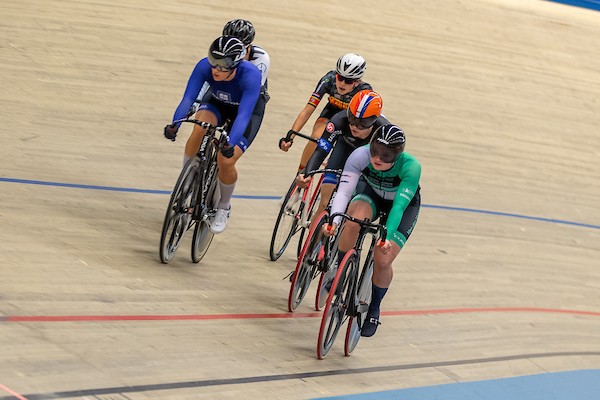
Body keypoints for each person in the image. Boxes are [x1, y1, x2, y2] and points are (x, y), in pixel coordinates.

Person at [323, 124, 421, 337]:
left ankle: (374, 308)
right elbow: (344, 191)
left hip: (401, 207)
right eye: (375, 151)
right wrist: (334, 220)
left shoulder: (411, 167)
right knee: (352, 222)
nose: (377, 159)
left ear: (397, 155)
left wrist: (386, 236)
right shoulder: (360, 155)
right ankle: (341, 271)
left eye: (386, 156)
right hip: (372, 195)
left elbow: (398, 207)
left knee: (383, 258)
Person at [164, 35, 262, 234]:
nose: (216, 68)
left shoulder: (250, 75)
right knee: (199, 127)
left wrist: (230, 144)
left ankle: (224, 206)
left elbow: (243, 116)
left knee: (226, 160)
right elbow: (188, 98)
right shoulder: (203, 67)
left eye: (223, 65)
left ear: (235, 64)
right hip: (217, 103)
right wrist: (175, 124)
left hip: (245, 113)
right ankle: (187, 178)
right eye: (213, 61)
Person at [295, 90, 387, 217]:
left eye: (362, 123)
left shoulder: (383, 131)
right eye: (352, 119)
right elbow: (321, 150)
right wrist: (308, 173)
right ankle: (315, 233)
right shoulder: (338, 120)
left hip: (366, 157)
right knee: (324, 204)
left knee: (352, 209)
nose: (354, 126)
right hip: (344, 147)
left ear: (374, 121)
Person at [278, 53, 372, 173]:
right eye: (340, 78)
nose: (342, 83)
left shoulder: (364, 92)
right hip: (331, 114)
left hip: (351, 123)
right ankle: (301, 174)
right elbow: (307, 111)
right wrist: (290, 137)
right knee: (317, 137)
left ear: (357, 82)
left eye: (348, 81)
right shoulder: (329, 79)